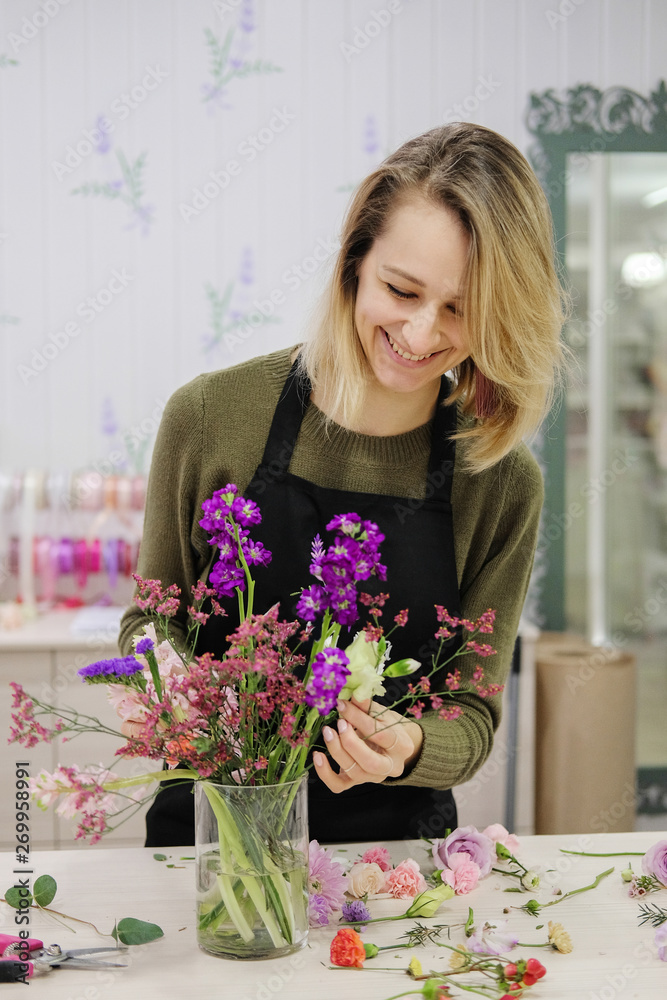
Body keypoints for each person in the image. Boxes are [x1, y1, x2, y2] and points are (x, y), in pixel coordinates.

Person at [118, 121, 566, 847]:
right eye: (401, 289)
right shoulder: (209, 416)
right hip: (210, 849)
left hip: (390, 875)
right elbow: (152, 617)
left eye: (460, 309)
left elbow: (473, 715)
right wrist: (161, 678)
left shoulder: (500, 480)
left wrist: (412, 744)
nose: (421, 335)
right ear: (354, 262)